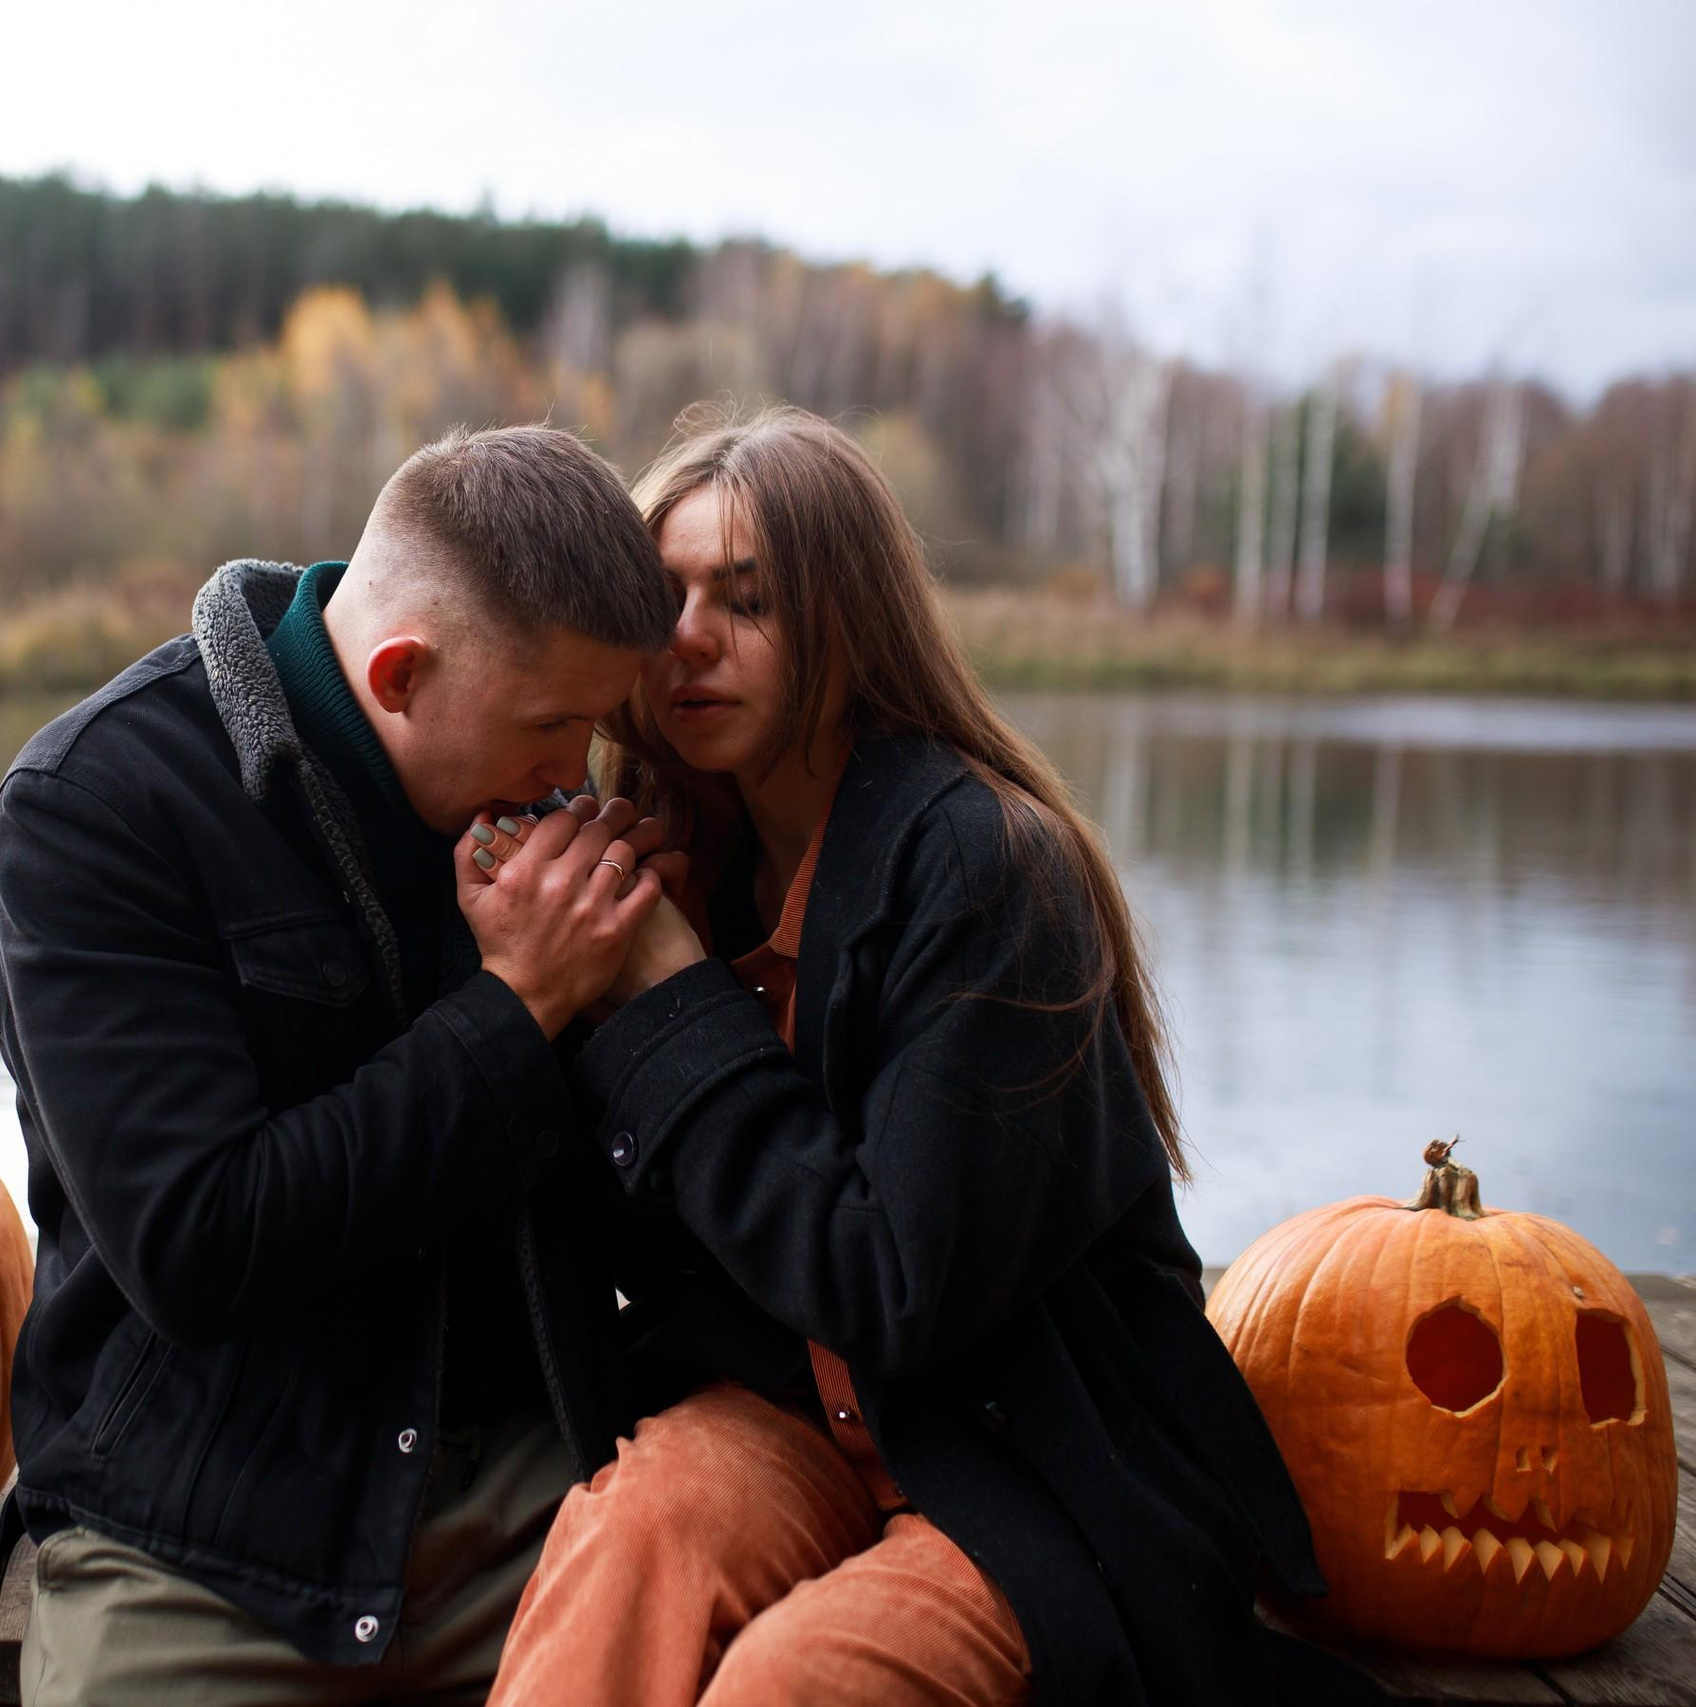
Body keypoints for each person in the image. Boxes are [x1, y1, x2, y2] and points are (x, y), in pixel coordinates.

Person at [486, 405, 1377, 1705]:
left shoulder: (983, 867)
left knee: (789, 1683)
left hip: (1030, 1449)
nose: (689, 636)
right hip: (798, 1415)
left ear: (851, 626)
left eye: (749, 600)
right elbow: (637, 1247)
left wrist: (670, 997)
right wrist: (570, 998)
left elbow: (892, 1283)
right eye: (664, 596)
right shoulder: (691, 865)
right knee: (637, 1531)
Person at [0, 424, 688, 1704]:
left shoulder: (529, 819)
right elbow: (200, 1244)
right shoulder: (96, 804)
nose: (572, 774)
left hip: (535, 1478)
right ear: (402, 675)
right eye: (553, 726)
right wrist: (519, 1004)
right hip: (197, 1523)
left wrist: (651, 1001)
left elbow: (653, 1219)